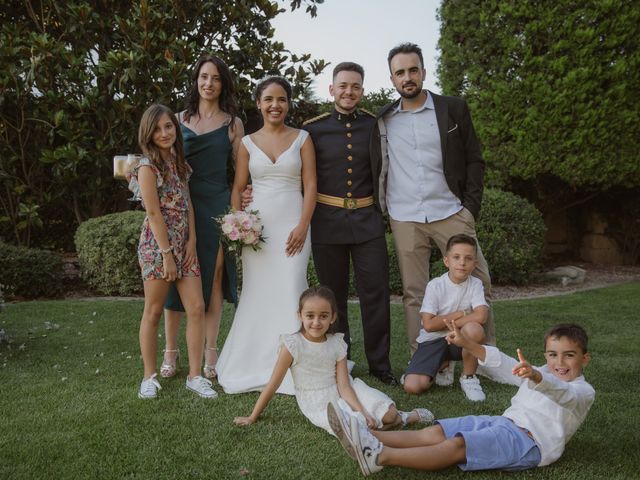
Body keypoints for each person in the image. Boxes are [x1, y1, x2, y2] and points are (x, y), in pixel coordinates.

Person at [328, 323, 594, 475]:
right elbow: (504, 364)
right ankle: (360, 433)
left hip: (529, 442)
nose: (559, 362)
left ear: (584, 358)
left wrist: (537, 377)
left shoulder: (583, 392)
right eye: (552, 354)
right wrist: (468, 344)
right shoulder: (540, 370)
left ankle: (380, 456)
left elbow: (563, 394)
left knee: (456, 445)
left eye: (568, 355)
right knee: (435, 432)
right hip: (503, 423)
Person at [370, 42, 494, 354]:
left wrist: (470, 209)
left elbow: (474, 160)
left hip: (452, 212)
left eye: (413, 70)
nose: (407, 77)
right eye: (400, 72)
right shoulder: (382, 120)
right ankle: (422, 355)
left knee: (479, 281)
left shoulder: (452, 108)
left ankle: (484, 353)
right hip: (405, 216)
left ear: (424, 72)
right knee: (415, 292)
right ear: (392, 79)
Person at [216, 76, 317, 395]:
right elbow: (238, 188)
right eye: (269, 99)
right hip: (257, 232)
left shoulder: (303, 138)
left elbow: (311, 185)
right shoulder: (247, 144)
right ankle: (251, 362)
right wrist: (239, 224)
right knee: (256, 294)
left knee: (291, 290)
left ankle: (293, 365)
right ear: (258, 104)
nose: (276, 105)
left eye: (282, 99)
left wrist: (302, 225)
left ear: (289, 104)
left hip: (293, 224)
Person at [301, 62, 396, 386]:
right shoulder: (313, 129)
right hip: (327, 222)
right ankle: (341, 360)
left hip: (367, 220)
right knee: (332, 297)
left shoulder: (375, 125)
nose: (349, 91)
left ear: (362, 90)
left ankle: (381, 365)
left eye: (355, 86)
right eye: (343, 85)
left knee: (376, 293)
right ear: (331, 89)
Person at [234, 286, 434, 434]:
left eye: (323, 316)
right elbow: (273, 384)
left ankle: (402, 417)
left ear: (332, 317)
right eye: (310, 315)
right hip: (317, 402)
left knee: (384, 415)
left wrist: (362, 411)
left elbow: (344, 385)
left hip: (346, 390)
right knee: (357, 428)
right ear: (300, 316)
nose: (316, 322)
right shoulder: (292, 345)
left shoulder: (337, 343)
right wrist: (253, 416)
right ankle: (395, 423)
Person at [159, 55, 242, 381]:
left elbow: (239, 173)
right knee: (173, 278)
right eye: (203, 77)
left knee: (214, 276)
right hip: (178, 204)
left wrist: (242, 202)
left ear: (223, 84)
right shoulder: (176, 119)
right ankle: (170, 351)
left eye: (216, 78)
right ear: (196, 80)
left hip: (216, 205)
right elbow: (157, 159)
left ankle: (211, 351)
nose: (209, 83)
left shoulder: (233, 123)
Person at [129, 104, 217, 399]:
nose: (164, 133)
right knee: (153, 310)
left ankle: (195, 375)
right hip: (158, 247)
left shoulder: (180, 163)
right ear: (148, 133)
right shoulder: (146, 167)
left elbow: (187, 203)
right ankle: (148, 377)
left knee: (196, 307)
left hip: (184, 244)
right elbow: (154, 213)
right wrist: (167, 254)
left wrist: (190, 242)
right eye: (157, 129)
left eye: (169, 126)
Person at [403, 234, 489, 401]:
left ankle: (469, 378)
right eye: (456, 257)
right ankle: (441, 365)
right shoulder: (435, 285)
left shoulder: (476, 284)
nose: (462, 263)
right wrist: (460, 314)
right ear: (446, 261)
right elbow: (428, 325)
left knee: (474, 329)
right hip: (432, 340)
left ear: (474, 264)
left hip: (459, 340)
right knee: (412, 387)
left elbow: (481, 316)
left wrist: (449, 323)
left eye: (468, 258)